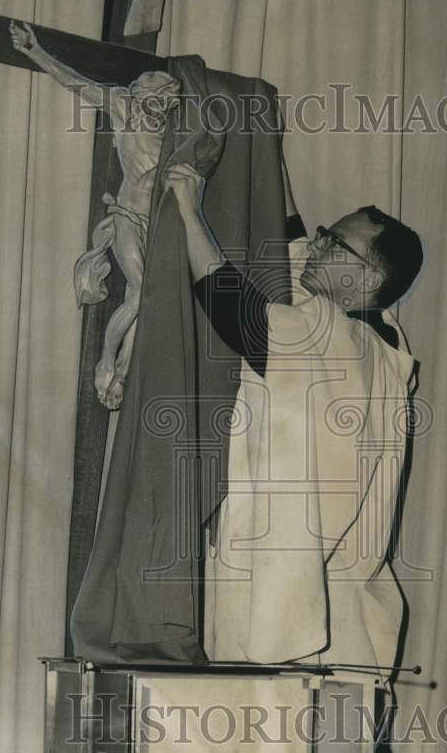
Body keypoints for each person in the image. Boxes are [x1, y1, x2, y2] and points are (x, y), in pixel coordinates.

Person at [163, 161, 423, 673]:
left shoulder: (343, 345)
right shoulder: (381, 337)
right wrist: (267, 140)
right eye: (328, 235)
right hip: (342, 613)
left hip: (309, 622)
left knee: (269, 743)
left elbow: (237, 313)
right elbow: (293, 236)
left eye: (334, 245)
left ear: (367, 277)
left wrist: (190, 213)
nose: (318, 246)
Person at [9, 20, 181, 409]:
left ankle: (120, 373)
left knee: (147, 299)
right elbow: (75, 83)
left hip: (153, 224)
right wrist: (33, 50)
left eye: (164, 105)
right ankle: (107, 366)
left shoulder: (173, 129)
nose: (158, 112)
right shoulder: (123, 108)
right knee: (139, 294)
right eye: (152, 103)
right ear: (139, 99)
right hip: (124, 215)